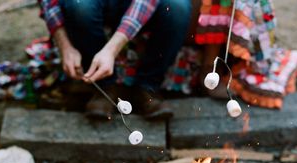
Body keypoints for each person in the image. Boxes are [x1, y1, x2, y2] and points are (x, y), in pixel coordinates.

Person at [38, 0, 192, 119]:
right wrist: (65, 45)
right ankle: (104, 87)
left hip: (147, 6)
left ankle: (148, 86)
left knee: (177, 7)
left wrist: (111, 50)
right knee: (78, 5)